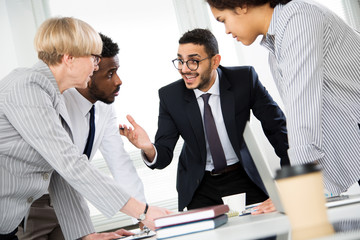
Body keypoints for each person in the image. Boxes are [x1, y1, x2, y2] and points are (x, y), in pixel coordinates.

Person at [0, 17, 171, 240]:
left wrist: (85, 235)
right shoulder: (28, 87)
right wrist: (143, 211)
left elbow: (62, 174)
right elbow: (70, 163)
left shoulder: (54, 96)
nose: (96, 65)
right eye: (94, 57)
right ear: (69, 58)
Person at [120, 28, 289, 214]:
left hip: (243, 175)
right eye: (180, 61)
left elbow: (277, 128)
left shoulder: (244, 79)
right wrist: (148, 148)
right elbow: (163, 155)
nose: (184, 69)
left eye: (193, 61)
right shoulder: (170, 96)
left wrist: (291, 180)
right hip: (200, 185)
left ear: (215, 61)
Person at [206, 0, 360, 195]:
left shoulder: (298, 18)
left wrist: (301, 186)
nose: (227, 30)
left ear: (241, 5)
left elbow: (302, 109)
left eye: (223, 20)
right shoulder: (276, 48)